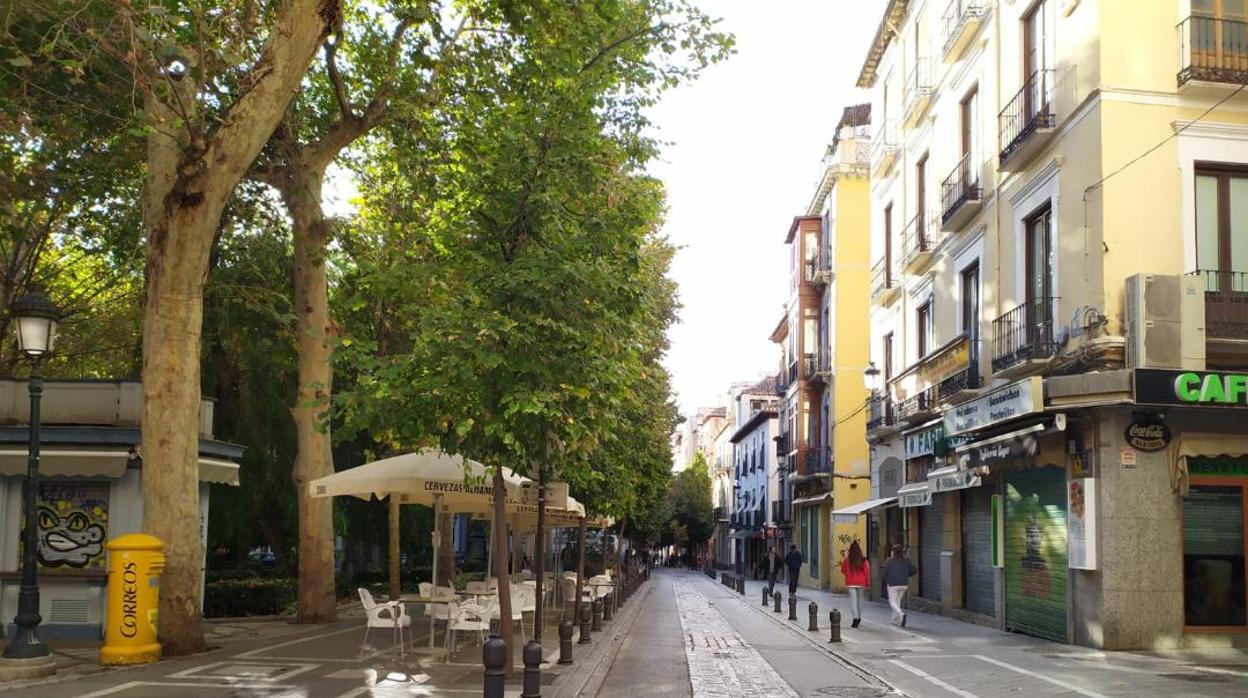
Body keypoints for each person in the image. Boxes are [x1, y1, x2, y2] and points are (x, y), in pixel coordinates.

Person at [882, 543, 917, 627]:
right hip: (904, 584)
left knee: (892, 601)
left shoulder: (889, 561)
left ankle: (901, 614)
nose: (891, 552)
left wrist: (887, 579)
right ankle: (895, 620)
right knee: (897, 601)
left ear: (893, 552)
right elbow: (914, 570)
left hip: (893, 584)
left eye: (892, 551)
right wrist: (906, 575)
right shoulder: (906, 560)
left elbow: (884, 573)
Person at [839, 541, 870, 628]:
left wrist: (845, 557)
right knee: (860, 602)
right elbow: (867, 572)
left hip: (851, 583)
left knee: (853, 601)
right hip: (861, 582)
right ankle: (859, 617)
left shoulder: (847, 560)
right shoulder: (863, 559)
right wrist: (867, 583)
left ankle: (855, 618)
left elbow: (843, 570)